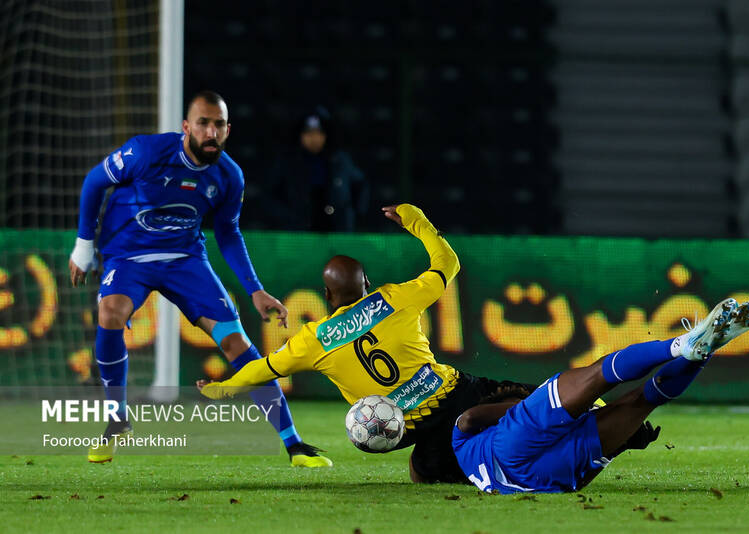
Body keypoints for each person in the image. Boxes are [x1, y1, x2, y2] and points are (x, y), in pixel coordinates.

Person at [198, 203, 581, 483]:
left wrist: (222, 388)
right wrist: (417, 220)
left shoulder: (313, 340)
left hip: (403, 428)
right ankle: (576, 409)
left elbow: (262, 370)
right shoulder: (395, 297)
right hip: (453, 392)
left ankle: (506, 444)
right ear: (367, 284)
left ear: (326, 295)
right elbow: (448, 264)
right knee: (538, 398)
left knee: (422, 473)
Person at [68, 90, 331, 467]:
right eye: (203, 123)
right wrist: (84, 244)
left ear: (228, 130)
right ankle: (116, 418)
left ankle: (294, 445)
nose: (211, 132)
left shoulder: (229, 176)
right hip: (129, 256)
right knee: (110, 312)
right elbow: (95, 182)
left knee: (237, 343)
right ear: (186, 127)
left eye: (218, 124)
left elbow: (228, 233)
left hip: (186, 260)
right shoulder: (146, 152)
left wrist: (255, 290)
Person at [452, 297, 749, 494]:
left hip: (543, 481)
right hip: (508, 448)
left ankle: (704, 349)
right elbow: (468, 418)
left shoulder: (470, 456)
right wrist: (525, 406)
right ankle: (680, 345)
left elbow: (579, 479)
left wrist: (617, 447)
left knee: (645, 400)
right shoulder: (471, 439)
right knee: (597, 375)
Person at [244, 106, 368, 232]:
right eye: (308, 133)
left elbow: (360, 185)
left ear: (326, 136)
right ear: (300, 135)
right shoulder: (286, 162)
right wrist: (287, 217)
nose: (314, 138)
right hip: (298, 232)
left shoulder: (340, 161)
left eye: (319, 133)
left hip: (335, 230)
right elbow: (268, 196)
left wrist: (352, 214)